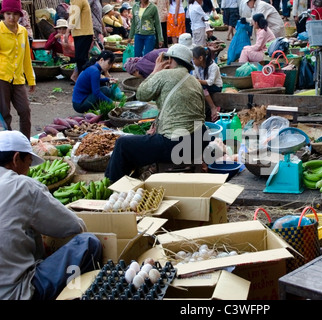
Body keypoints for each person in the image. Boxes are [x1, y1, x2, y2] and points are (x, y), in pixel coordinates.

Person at [0, 130, 102, 300]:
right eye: (29, 162)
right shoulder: (22, 186)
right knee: (88, 242)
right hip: (16, 293)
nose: (28, 170)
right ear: (16, 158)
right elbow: (74, 226)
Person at [105, 44, 209, 183]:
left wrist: (155, 71)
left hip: (175, 145)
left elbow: (142, 94)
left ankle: (113, 187)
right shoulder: (194, 82)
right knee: (142, 142)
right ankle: (130, 181)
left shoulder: (165, 74)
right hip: (197, 142)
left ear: (170, 60)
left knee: (122, 144)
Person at [0, 0, 36, 139]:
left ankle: (24, 144)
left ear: (20, 15)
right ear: (3, 14)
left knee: (25, 111)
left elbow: (26, 57)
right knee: (4, 114)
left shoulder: (22, 31)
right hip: (2, 77)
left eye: (15, 14)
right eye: (8, 14)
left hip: (18, 79)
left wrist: (31, 79)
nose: (11, 17)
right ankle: (7, 146)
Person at [192, 46, 222, 122]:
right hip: (205, 86)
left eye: (194, 59)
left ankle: (213, 107)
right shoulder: (196, 66)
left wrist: (196, 81)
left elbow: (210, 82)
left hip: (215, 87)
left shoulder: (213, 66)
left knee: (202, 86)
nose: (193, 61)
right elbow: (194, 77)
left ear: (201, 58)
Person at [67, 0, 94, 83]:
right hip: (81, 33)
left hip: (83, 33)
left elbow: (74, 17)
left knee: (81, 59)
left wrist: (68, 30)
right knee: (81, 58)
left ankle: (84, 81)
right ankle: (83, 80)